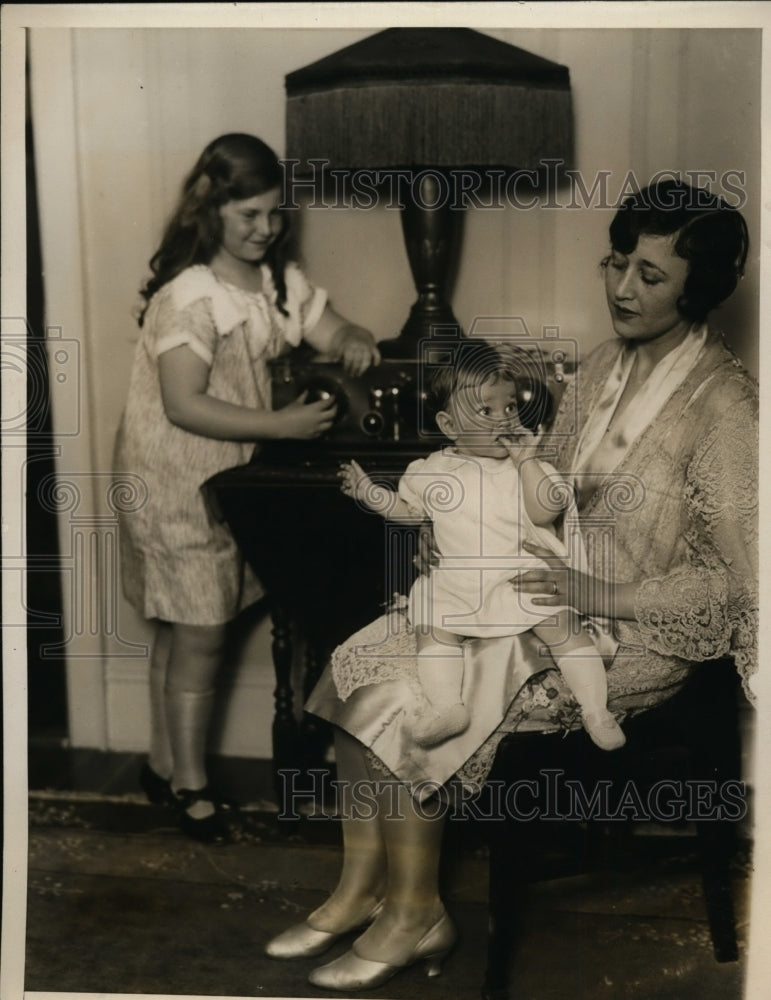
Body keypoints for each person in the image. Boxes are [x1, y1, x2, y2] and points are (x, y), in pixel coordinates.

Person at [265, 178, 757, 992]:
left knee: (406, 697)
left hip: (626, 634)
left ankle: (416, 912)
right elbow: (532, 485)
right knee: (355, 659)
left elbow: (739, 583)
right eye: (616, 263)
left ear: (696, 288)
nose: (622, 288)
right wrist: (453, 540)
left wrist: (597, 596)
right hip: (528, 590)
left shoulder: (726, 408)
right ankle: (360, 890)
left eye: (650, 275)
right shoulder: (601, 366)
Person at [113, 133, 380, 841]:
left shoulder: (274, 282)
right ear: (211, 212)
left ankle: (162, 764)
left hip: (227, 478)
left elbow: (328, 327)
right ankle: (191, 789)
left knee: (185, 626)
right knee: (198, 632)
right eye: (249, 217)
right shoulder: (191, 297)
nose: (265, 230)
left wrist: (350, 334)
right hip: (174, 479)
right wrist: (281, 425)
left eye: (274, 216)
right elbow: (183, 404)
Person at [338, 338, 624, 751]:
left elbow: (545, 513)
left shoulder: (526, 468)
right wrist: (371, 495)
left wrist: (527, 462)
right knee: (431, 625)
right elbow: (410, 512)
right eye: (486, 410)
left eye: (510, 407)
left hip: (518, 577)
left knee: (564, 627)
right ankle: (447, 705)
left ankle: (597, 709)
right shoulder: (431, 471)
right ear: (450, 426)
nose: (504, 419)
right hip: (460, 581)